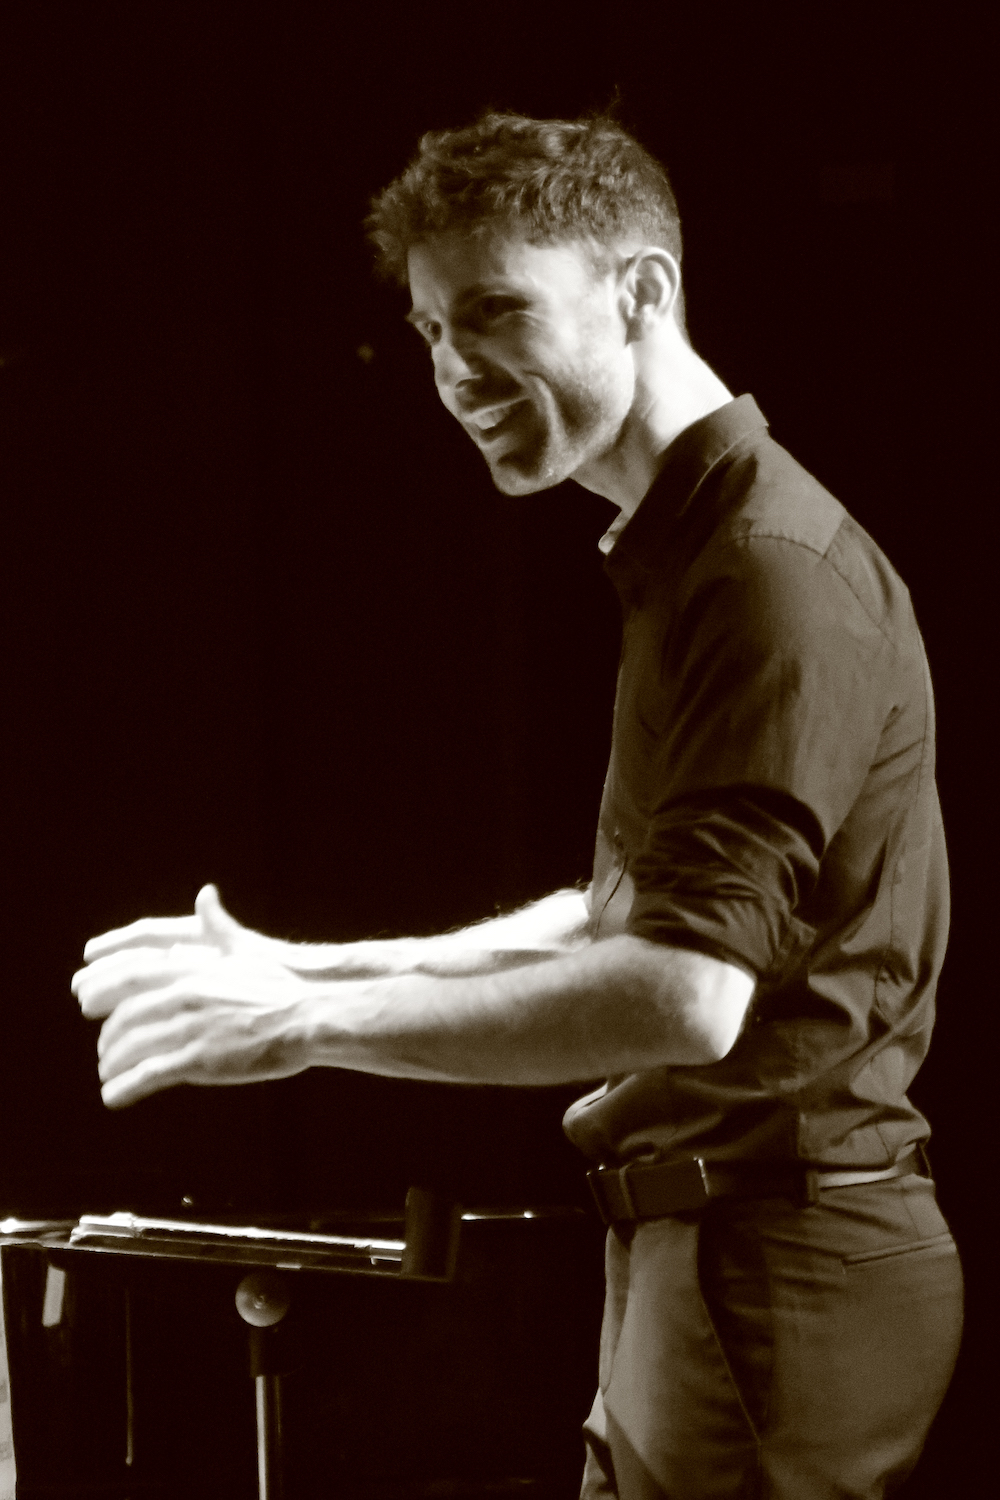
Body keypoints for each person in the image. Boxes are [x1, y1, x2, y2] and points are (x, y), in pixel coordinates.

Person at [73, 113, 963, 1498]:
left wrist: (304, 1029)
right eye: (432, 329)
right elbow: (623, 915)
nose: (455, 368)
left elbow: (684, 995)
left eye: (495, 310)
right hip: (722, 1257)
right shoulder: (695, 555)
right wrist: (301, 969)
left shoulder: (765, 571)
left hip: (773, 1266)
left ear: (643, 290)